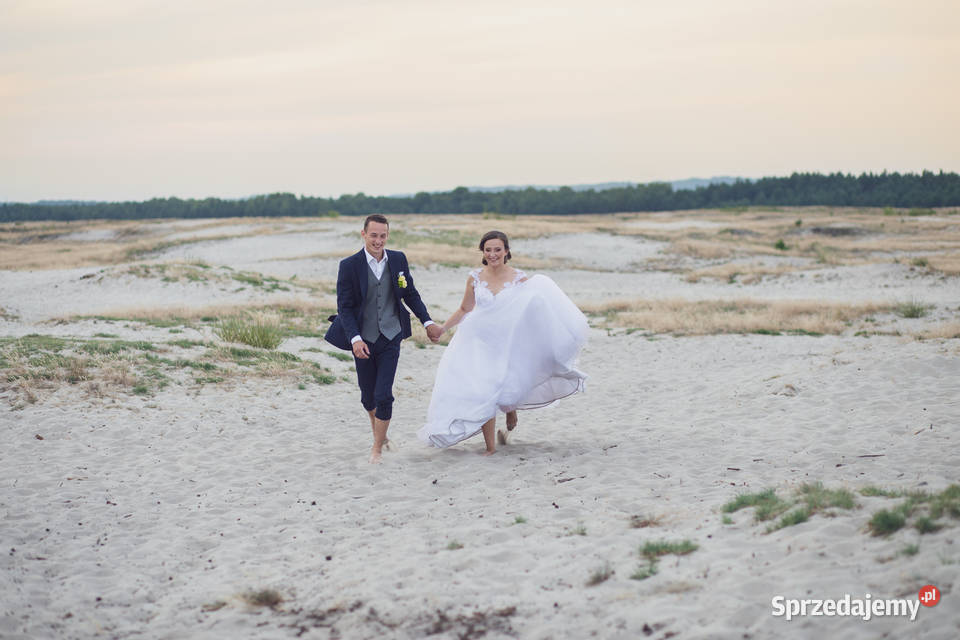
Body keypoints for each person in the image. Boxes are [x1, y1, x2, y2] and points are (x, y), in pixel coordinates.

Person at [417, 230, 587, 454]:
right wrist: (443, 328)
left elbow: (530, 311)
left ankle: (510, 409)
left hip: (506, 342)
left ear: (506, 251)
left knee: (504, 383)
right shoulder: (475, 277)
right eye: (488, 250)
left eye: (497, 249)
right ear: (483, 252)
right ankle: (490, 448)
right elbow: (465, 309)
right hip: (477, 341)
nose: (493, 254)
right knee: (483, 390)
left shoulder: (519, 279)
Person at [325, 214, 443, 463]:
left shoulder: (398, 259)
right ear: (363, 234)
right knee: (367, 397)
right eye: (373, 235)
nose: (378, 241)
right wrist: (355, 338)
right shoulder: (349, 265)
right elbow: (345, 307)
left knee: (383, 395)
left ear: (387, 235)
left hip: (391, 335)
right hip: (363, 338)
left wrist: (427, 321)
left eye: (383, 236)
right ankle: (380, 433)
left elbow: (410, 293)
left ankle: (376, 448)